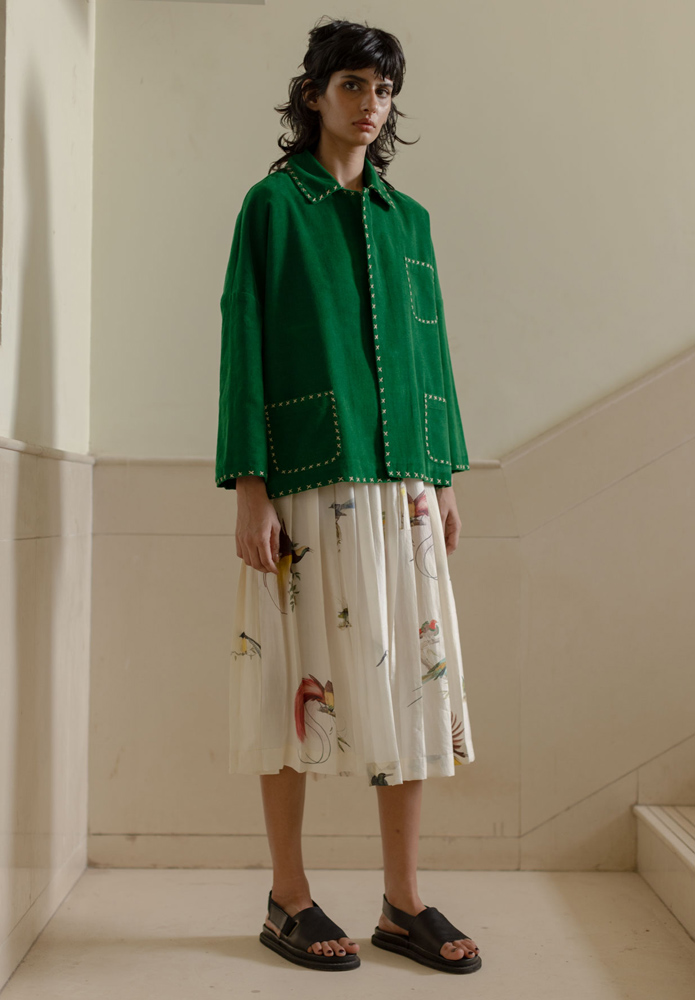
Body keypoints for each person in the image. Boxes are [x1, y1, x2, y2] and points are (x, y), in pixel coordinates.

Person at [215, 15, 481, 975]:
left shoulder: (409, 221)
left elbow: (432, 350)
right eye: (353, 86)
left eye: (383, 90)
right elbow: (243, 339)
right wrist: (249, 486)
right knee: (291, 687)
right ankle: (287, 897)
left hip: (403, 486)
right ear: (315, 94)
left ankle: (403, 903)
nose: (371, 105)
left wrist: (441, 475)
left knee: (412, 688)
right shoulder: (271, 206)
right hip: (302, 480)